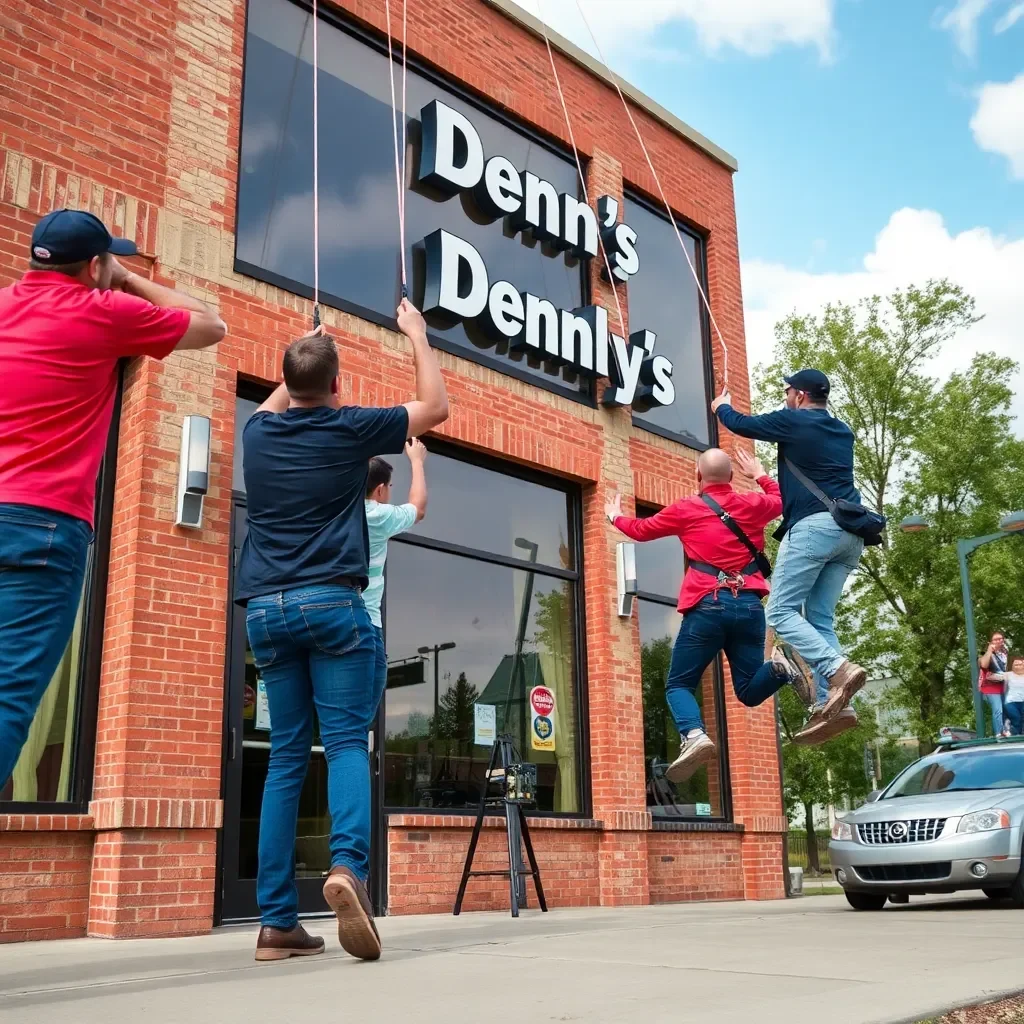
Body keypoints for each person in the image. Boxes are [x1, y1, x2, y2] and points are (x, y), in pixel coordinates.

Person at [237, 299, 448, 964]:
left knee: (286, 760)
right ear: (337, 388)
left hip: (265, 612)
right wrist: (415, 334)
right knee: (348, 743)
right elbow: (434, 408)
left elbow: (281, 399)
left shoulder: (256, 435)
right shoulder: (350, 429)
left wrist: (306, 345)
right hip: (333, 606)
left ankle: (275, 924)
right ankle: (347, 869)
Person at [0, 209, 226, 789]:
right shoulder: (102, 312)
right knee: (7, 697)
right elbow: (209, 324)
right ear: (96, 264)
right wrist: (129, 280)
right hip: (42, 530)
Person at [606, 448, 797, 782]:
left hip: (708, 607)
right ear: (732, 477)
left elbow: (640, 530)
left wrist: (614, 516)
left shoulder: (686, 509)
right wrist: (761, 474)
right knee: (749, 691)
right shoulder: (753, 505)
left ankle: (694, 735)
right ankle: (781, 667)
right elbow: (782, 499)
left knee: (679, 684)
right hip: (750, 607)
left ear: (698, 475)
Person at [711, 369, 868, 745]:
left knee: (779, 612)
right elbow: (812, 471)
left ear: (799, 396)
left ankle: (837, 670)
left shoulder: (794, 420)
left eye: (786, 391)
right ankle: (834, 702)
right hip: (851, 534)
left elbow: (742, 424)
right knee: (818, 619)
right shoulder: (841, 431)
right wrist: (765, 474)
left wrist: (722, 407)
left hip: (814, 530)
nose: (784, 396)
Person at [364, 439, 429, 671]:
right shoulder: (377, 515)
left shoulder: (336, 509)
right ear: (380, 489)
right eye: (390, 487)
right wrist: (417, 461)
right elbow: (418, 509)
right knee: (366, 696)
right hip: (364, 621)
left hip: (324, 614)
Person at [979, 631, 1009, 737]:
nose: (999, 641)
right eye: (996, 639)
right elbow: (983, 664)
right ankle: (998, 733)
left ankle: (1005, 730)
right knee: (998, 710)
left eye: (1001, 638)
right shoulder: (985, 653)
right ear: (990, 642)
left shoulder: (1004, 653)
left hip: (1001, 686)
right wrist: (989, 651)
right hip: (989, 687)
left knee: (1006, 709)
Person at [989, 652, 1023, 737]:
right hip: (1011, 702)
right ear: (1012, 666)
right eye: (1016, 665)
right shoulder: (1008, 674)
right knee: (1016, 719)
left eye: (1020, 664)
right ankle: (1012, 735)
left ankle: (1016, 735)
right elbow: (995, 676)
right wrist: (989, 675)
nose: (1018, 666)